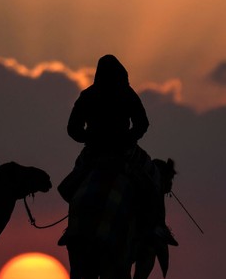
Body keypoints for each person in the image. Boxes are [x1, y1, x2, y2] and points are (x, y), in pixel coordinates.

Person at [58, 54, 177, 246]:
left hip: (96, 151)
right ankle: (157, 228)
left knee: (73, 184)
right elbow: (142, 124)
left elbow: (73, 129)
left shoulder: (88, 95)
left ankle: (73, 229)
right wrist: (124, 139)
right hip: (120, 151)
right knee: (152, 181)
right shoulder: (126, 93)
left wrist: (91, 137)